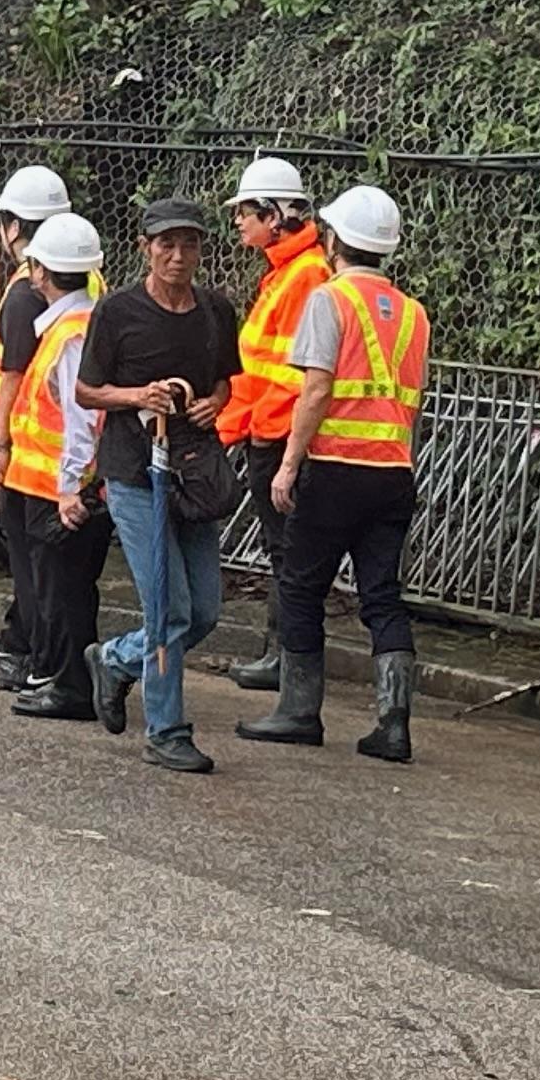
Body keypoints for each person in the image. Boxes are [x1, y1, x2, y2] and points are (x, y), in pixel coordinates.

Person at [238, 183, 427, 761]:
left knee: (300, 587)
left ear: (338, 239)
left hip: (334, 468)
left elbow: (315, 389)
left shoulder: (329, 299)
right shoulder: (415, 315)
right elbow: (410, 403)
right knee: (382, 595)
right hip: (392, 472)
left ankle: (298, 711)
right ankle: (393, 725)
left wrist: (288, 464)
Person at [81, 199, 242, 773]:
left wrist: (211, 404)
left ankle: (118, 659)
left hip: (192, 472)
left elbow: (226, 381)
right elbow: (86, 390)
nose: (178, 256)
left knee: (203, 611)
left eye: (190, 244)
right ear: (146, 247)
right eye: (167, 244)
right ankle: (167, 730)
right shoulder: (118, 311)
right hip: (133, 471)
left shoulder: (216, 310)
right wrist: (138, 397)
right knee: (169, 607)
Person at [221, 159, 332, 692]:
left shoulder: (305, 274)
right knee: (281, 548)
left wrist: (266, 434)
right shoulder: (287, 271)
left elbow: (299, 376)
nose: (239, 222)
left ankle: (284, 659)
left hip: (280, 436)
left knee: (288, 551)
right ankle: (279, 655)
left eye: (246, 211)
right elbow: (258, 367)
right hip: (266, 432)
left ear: (275, 214)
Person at [0, 214, 111, 716]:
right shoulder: (75, 326)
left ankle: (71, 687)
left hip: (59, 491)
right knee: (59, 588)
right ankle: (62, 680)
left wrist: (70, 488)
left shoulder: (71, 335)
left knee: (63, 590)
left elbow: (81, 424)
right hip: (54, 486)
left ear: (40, 271)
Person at [0, 163, 74, 680]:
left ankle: (32, 656)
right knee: (47, 565)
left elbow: (13, 374)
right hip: (59, 445)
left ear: (14, 227)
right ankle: (25, 642)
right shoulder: (80, 276)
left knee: (32, 561)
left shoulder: (24, 290)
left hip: (29, 447)